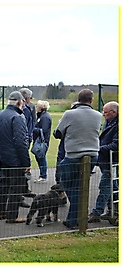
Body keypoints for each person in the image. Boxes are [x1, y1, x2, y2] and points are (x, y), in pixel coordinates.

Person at [53, 88, 102, 229]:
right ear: (91, 100)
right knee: (80, 187)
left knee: (67, 184)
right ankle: (77, 217)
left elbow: (57, 133)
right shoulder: (98, 115)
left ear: (78, 100)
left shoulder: (69, 114)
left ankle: (74, 219)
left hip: (73, 155)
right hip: (93, 154)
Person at [0, 91, 31, 224]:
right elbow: (21, 142)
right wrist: (26, 162)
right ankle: (12, 216)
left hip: (3, 156)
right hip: (15, 159)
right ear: (20, 102)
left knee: (3, 185)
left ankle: (0, 212)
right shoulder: (18, 117)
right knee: (16, 187)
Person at [88, 101, 119, 223]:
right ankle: (114, 211)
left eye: (105, 112)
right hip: (105, 160)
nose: (103, 114)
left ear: (114, 112)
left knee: (105, 186)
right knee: (112, 186)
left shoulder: (118, 125)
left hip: (112, 160)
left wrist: (99, 148)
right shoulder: (108, 122)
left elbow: (116, 145)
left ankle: (97, 212)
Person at [32, 100, 52, 183]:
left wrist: (33, 129)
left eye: (37, 106)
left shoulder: (45, 117)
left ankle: (43, 175)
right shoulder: (41, 116)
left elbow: (43, 130)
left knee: (41, 157)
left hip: (42, 141)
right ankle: (42, 174)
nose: (36, 108)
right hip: (39, 140)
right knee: (38, 157)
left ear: (41, 108)